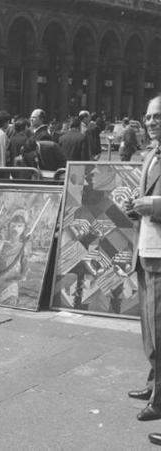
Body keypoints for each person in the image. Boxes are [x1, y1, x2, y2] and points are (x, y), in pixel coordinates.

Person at [123, 95, 161, 426]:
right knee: (149, 328)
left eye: (157, 117)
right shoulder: (149, 154)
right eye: (148, 117)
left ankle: (160, 400)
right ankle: (154, 386)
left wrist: (155, 207)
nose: (151, 122)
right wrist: (134, 207)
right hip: (145, 250)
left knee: (160, 330)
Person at [0, 211, 31, 306]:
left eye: (19, 226)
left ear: (24, 229)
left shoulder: (24, 248)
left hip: (10, 288)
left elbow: (24, 272)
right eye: (13, 226)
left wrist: (12, 278)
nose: (16, 229)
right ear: (9, 226)